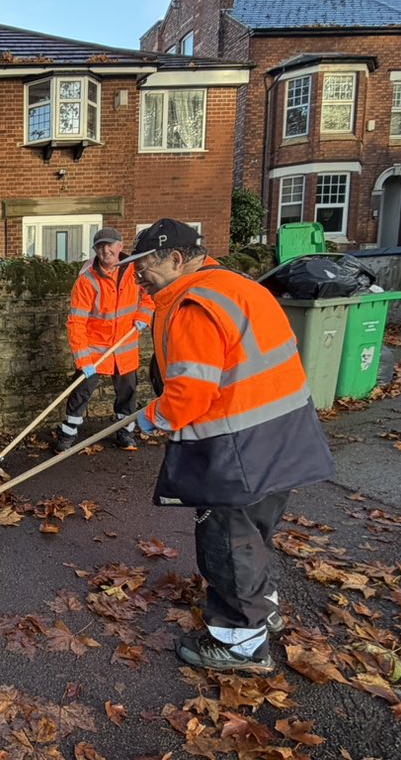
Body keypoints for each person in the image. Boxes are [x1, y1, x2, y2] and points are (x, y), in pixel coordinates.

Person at [123, 218, 334, 673]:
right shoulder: (239, 287)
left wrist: (151, 417)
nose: (139, 277)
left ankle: (241, 643)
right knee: (254, 535)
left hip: (238, 447)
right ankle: (264, 609)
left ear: (175, 258)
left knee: (227, 543)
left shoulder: (193, 304)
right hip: (284, 436)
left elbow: (189, 394)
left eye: (145, 268)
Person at [53, 227, 154, 453]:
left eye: (109, 245)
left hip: (125, 346)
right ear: (95, 250)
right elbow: (76, 322)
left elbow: (150, 295)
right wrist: (83, 360)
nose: (105, 251)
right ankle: (68, 433)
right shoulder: (87, 280)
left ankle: (125, 433)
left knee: (128, 392)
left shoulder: (135, 270)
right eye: (100, 247)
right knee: (81, 391)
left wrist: (144, 316)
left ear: (120, 246)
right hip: (95, 349)